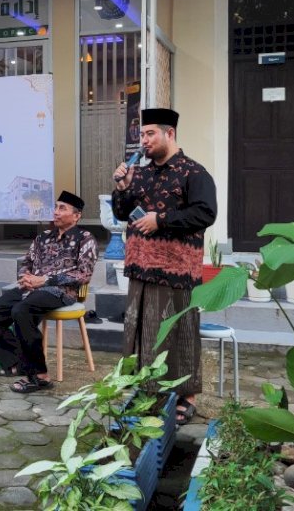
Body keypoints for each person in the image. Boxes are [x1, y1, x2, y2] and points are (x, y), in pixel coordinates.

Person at [112, 107, 217, 426]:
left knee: (177, 332)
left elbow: (205, 214)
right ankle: (146, 389)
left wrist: (161, 220)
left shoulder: (193, 173)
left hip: (175, 271)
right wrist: (122, 188)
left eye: (150, 134)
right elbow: (121, 213)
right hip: (140, 268)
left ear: (169, 133)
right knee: (141, 331)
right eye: (141, 135)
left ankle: (186, 396)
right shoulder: (140, 172)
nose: (143, 141)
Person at [0, 191, 97, 394]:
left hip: (61, 292)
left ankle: (40, 376)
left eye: (62, 208)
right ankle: (17, 363)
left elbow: (83, 274)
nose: (56, 212)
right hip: (31, 288)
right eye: (56, 207)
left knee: (21, 311)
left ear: (76, 215)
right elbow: (27, 262)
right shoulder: (43, 237)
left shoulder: (85, 239)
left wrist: (44, 280)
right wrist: (26, 277)